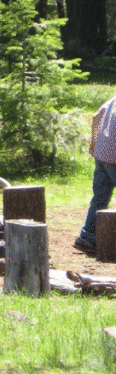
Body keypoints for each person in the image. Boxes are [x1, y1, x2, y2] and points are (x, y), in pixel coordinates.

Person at [73, 94, 116, 255]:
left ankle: (87, 238)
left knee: (99, 199)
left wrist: (93, 142)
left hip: (101, 153)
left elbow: (96, 117)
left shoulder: (114, 99)